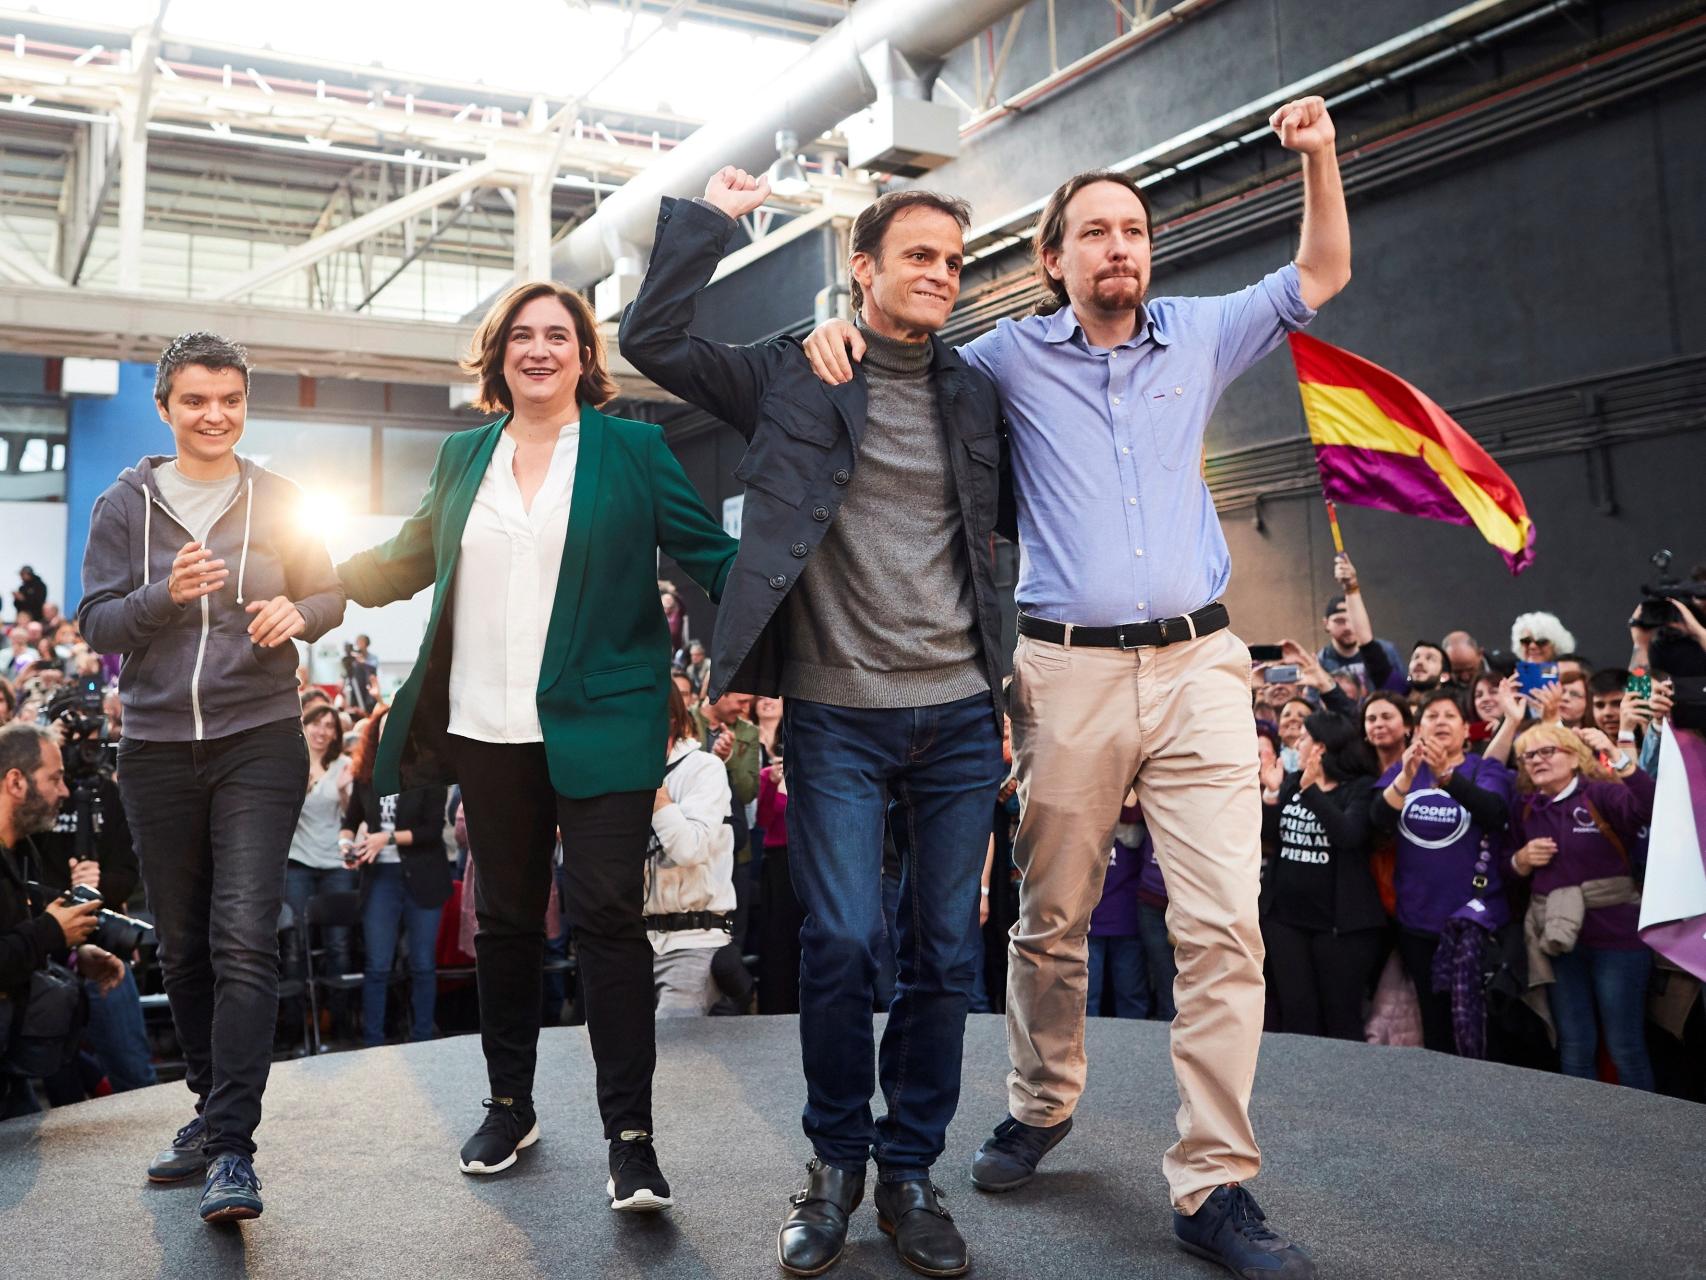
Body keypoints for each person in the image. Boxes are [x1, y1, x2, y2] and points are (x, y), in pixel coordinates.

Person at [804, 97, 1347, 1274]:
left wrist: (1318, 157)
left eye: (1134, 230)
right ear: (1052, 260)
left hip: (1201, 665)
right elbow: (902, 353)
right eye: (1094, 231)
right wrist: (834, 333)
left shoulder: (1201, 334)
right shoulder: (1001, 358)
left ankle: (1211, 1181)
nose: (1119, 247)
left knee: (1222, 927)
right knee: (1049, 919)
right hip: (1063, 670)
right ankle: (1041, 1099)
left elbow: (1318, 272)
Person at [621, 171, 1009, 1279]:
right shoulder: (795, 371)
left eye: (953, 261)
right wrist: (712, 222)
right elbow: (652, 338)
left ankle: (909, 1169)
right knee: (839, 941)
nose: (940, 275)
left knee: (945, 953)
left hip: (958, 712)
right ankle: (835, 1162)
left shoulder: (976, 392)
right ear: (863, 266)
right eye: (919, 256)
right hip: (838, 712)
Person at [336, 280, 735, 1207]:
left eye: (559, 335)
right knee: (507, 924)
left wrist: (800, 592)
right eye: (522, 335)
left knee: (606, 920)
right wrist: (310, 581)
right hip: (486, 725)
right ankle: (509, 1105)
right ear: (498, 354)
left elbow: (710, 555)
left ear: (585, 356)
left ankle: (631, 1138)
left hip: (603, 724)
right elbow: (404, 558)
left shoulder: (633, 450)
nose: (540, 349)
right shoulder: (463, 456)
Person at [77, 331, 343, 1223]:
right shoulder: (124, 505)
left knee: (241, 935)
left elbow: (328, 593)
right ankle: (208, 1111)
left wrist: (296, 612)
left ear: (245, 404)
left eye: (229, 399)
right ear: (165, 408)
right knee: (184, 945)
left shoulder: (281, 498)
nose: (214, 415)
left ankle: (233, 1148)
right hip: (155, 746)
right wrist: (165, 596)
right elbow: (97, 622)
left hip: (258, 738)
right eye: (195, 400)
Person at [1508, 721, 1655, 1089]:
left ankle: (1645, 1123)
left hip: (1617, 942)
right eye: (1528, 756)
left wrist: (1616, 754)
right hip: (1558, 941)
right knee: (1574, 1046)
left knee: (1625, 1047)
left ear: (1575, 757)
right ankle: (1581, 1124)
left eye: (1547, 751)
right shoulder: (1526, 808)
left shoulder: (1600, 795)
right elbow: (1501, 867)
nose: (1536, 760)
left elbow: (1651, 807)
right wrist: (1520, 861)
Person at [1371, 688, 1514, 1056]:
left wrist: (1447, 777)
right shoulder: (1403, 771)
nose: (1440, 722)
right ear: (1418, 730)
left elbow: (1494, 813)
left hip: (1473, 922)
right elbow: (1377, 822)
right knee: (1434, 1025)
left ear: (1466, 730)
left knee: (1479, 1025)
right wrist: (1406, 777)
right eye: (1431, 716)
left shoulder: (1483, 768)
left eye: (1449, 715)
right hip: (1417, 921)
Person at [0, 723, 127, 1118]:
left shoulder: (23, 852)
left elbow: (19, 940)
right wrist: (51, 932)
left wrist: (73, 954)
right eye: (54, 778)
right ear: (16, 782)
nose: (65, 791)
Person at [1259, 711, 1383, 1040]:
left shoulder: (1360, 788)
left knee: (1339, 1016)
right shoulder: (1292, 782)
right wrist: (1271, 793)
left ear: (1321, 748)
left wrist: (1311, 790)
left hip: (1339, 926)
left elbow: (1348, 835)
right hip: (1284, 920)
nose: (1296, 745)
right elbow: (1268, 837)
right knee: (1297, 1011)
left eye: (1304, 739)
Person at [340, 707, 450, 1047]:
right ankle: (373, 1041)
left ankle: (423, 1039)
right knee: (377, 965)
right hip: (380, 876)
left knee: (422, 963)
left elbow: (432, 830)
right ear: (376, 733)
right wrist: (346, 844)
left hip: (423, 874)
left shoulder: (430, 772)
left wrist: (386, 838)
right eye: (386, 727)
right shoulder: (365, 774)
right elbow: (350, 820)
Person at [644, 684, 736, 1017]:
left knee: (674, 1040)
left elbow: (690, 849)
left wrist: (656, 793)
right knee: (608, 1041)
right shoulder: (616, 771)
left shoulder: (703, 768)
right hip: (630, 943)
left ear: (668, 720)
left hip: (693, 939)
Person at [283, 702, 358, 1029]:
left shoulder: (344, 766)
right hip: (298, 863)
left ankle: (339, 1023)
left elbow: (354, 817)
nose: (322, 731)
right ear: (305, 725)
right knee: (295, 944)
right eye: (317, 723)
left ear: (336, 734)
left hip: (335, 863)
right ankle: (298, 1025)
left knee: (338, 944)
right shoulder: (291, 764)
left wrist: (343, 793)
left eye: (329, 726)